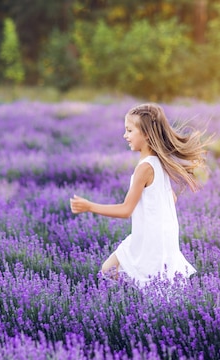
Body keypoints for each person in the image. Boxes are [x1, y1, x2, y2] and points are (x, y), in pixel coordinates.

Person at [70, 103, 209, 287]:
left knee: (118, 274)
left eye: (129, 130)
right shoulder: (159, 162)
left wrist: (89, 206)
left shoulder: (145, 167)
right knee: (129, 277)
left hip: (149, 239)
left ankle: (138, 308)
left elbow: (126, 210)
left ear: (146, 134)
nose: (125, 135)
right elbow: (171, 198)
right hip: (153, 235)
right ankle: (137, 305)